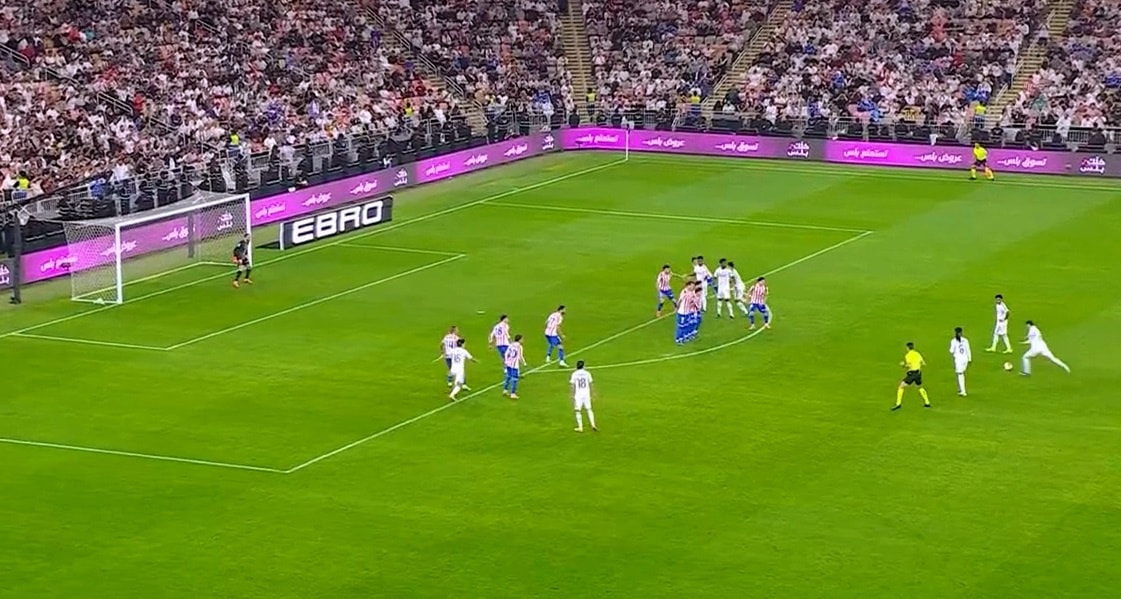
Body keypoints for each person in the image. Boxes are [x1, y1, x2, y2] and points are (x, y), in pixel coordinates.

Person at [894, 342, 931, 410]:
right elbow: (923, 363)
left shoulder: (908, 355)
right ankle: (927, 402)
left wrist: (903, 365)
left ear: (907, 348)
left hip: (912, 374)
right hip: (918, 373)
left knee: (901, 386)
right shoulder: (917, 354)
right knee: (919, 387)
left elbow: (909, 365)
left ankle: (898, 404)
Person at [570, 360, 597, 432]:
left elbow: (572, 385)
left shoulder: (574, 374)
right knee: (589, 409)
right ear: (583, 366)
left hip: (578, 395)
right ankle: (593, 425)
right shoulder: (587, 373)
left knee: (577, 410)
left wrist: (572, 394)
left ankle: (580, 428)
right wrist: (593, 393)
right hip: (586, 394)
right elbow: (591, 384)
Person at [949, 327, 972, 396]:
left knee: (960, 374)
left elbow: (951, 351)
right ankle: (962, 390)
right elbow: (968, 349)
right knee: (962, 373)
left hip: (959, 360)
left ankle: (963, 391)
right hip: (965, 359)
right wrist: (970, 359)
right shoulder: (965, 340)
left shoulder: (953, 341)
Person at [502, 334, 527, 399]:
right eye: (522, 339)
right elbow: (520, 357)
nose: (523, 340)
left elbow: (506, 354)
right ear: (519, 340)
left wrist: (506, 362)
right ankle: (513, 394)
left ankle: (505, 390)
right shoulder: (519, 347)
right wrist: (524, 364)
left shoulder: (511, 345)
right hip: (514, 365)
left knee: (508, 376)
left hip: (508, 363)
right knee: (515, 379)